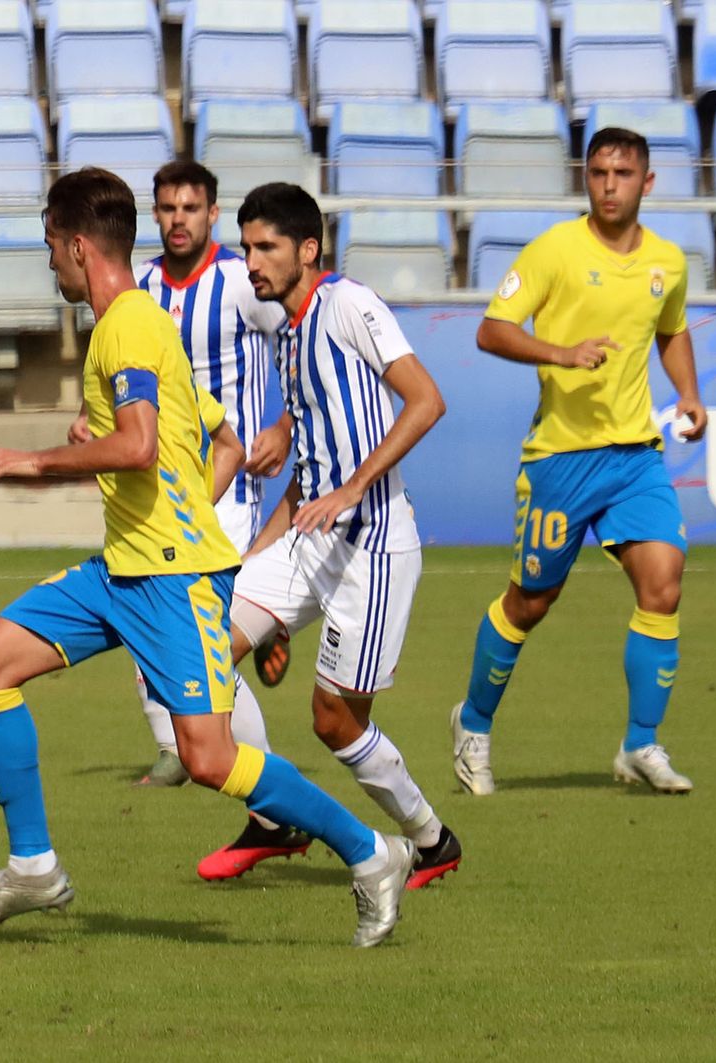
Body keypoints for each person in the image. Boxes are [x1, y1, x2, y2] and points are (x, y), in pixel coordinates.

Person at [0, 168, 415, 948]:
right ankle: (32, 865)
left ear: (74, 245)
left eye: (50, 250)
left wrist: (37, 461)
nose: (51, 266)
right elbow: (219, 434)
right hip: (123, 568)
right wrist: (173, 490)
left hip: (172, 578)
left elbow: (134, 446)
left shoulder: (126, 326)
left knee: (209, 757)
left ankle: (372, 852)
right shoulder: (144, 322)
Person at [193, 183, 462, 890]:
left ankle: (431, 840)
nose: (251, 261)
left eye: (266, 247)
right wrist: (252, 562)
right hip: (306, 544)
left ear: (307, 249)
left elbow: (427, 399)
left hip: (369, 549)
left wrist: (352, 486)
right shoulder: (288, 330)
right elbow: (308, 460)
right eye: (246, 246)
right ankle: (271, 818)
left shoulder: (350, 304)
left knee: (335, 721)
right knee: (202, 646)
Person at [451, 127, 706, 796]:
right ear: (584, 179)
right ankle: (473, 723)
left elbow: (671, 329)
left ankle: (640, 745)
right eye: (598, 172)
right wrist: (560, 353)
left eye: (623, 173)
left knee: (664, 580)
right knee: (530, 602)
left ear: (647, 182)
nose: (610, 184)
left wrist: (689, 393)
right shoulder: (555, 250)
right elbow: (491, 328)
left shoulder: (668, 262)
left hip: (633, 457)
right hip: (560, 458)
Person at [127, 160, 293, 788]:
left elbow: (299, 343)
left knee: (187, 621)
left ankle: (261, 772)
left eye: (190, 209)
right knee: (151, 609)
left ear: (212, 214)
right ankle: (177, 744)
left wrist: (282, 425)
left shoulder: (241, 282)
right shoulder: (140, 287)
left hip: (231, 480)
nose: (177, 220)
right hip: (159, 485)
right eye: (167, 209)